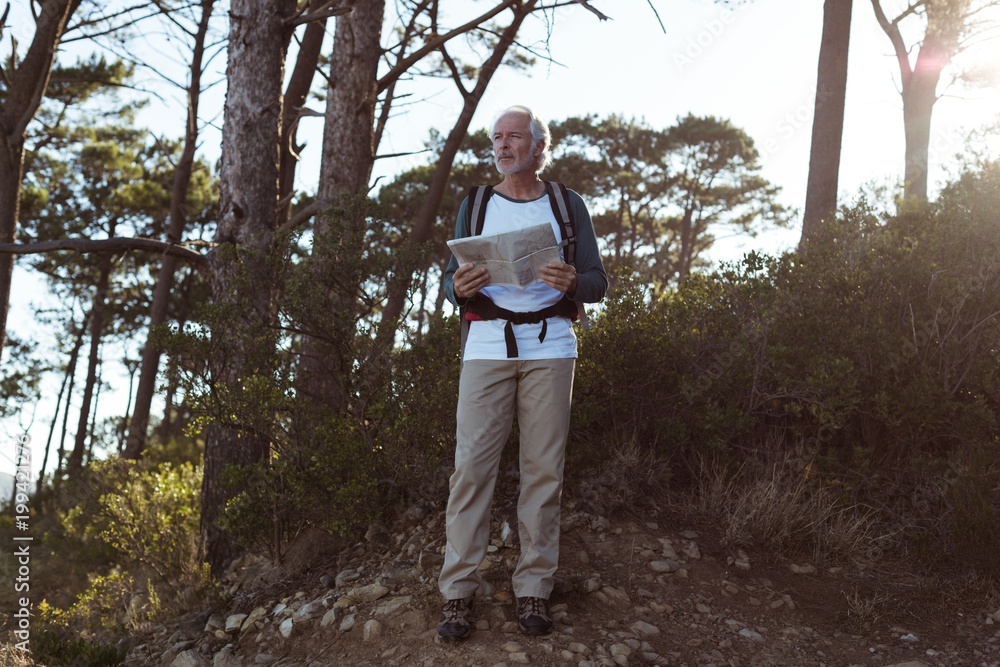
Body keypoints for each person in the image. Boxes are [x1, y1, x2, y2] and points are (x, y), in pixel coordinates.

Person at [437, 105, 608, 642]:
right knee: (471, 469)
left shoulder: (567, 204)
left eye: (514, 137)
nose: (503, 145)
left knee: (543, 470)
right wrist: (457, 288)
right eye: (497, 137)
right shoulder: (476, 205)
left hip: (551, 346)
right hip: (487, 346)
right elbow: (451, 281)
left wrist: (572, 282)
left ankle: (534, 586)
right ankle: (458, 592)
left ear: (539, 147)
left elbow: (598, 281)